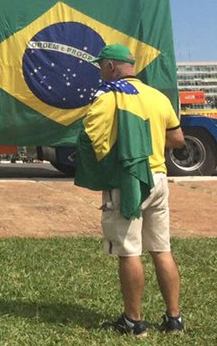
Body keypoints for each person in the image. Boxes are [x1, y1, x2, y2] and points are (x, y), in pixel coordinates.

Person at [74, 44, 185, 336]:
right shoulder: (157, 96)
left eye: (101, 66)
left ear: (111, 66)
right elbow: (177, 139)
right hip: (158, 179)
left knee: (130, 252)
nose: (100, 71)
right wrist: (146, 142)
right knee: (162, 250)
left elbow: (88, 136)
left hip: (127, 182)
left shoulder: (108, 95)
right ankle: (174, 320)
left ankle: (134, 322)